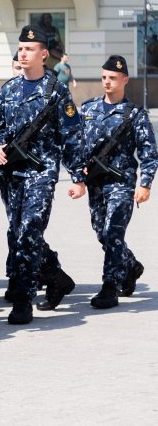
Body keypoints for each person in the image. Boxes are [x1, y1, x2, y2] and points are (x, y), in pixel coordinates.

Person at [0, 26, 86, 325]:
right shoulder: (10, 89)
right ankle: (55, 276)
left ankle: (23, 299)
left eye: (29, 49)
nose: (23, 53)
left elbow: (71, 134)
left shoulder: (56, 91)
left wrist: (78, 177)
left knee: (29, 230)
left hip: (41, 172)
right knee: (19, 233)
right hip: (11, 173)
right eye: (21, 48)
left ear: (44, 54)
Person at [80, 55, 156, 309]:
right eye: (104, 77)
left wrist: (144, 184)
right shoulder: (88, 109)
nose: (107, 82)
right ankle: (130, 265)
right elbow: (77, 145)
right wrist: (77, 173)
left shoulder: (135, 115)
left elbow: (148, 152)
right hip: (95, 183)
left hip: (121, 183)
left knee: (113, 232)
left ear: (124, 80)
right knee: (101, 232)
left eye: (112, 78)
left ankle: (109, 287)